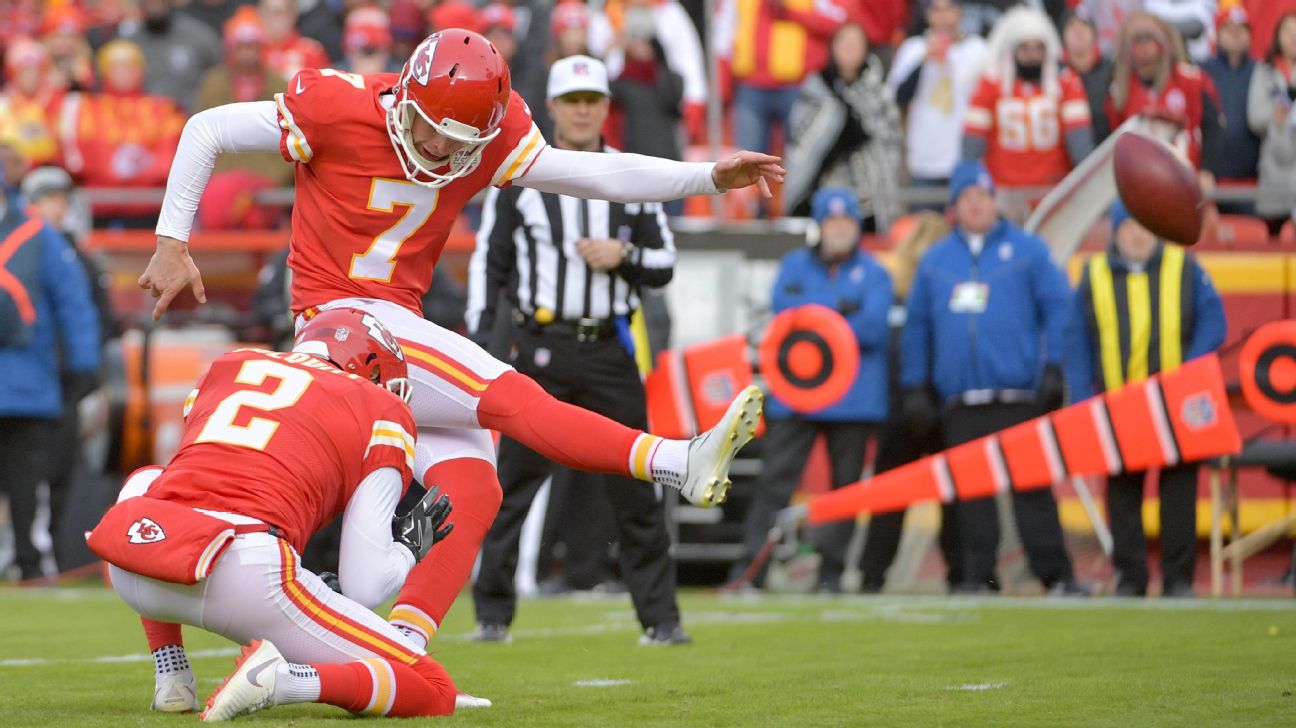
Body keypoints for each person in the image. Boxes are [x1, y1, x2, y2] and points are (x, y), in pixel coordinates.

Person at [138, 28, 778, 653]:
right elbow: (207, 129)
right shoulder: (336, 104)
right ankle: (675, 462)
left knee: (475, 485)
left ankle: (402, 648)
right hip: (341, 322)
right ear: (407, 97)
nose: (439, 150)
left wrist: (708, 179)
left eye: (459, 140)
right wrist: (172, 241)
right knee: (511, 395)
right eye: (430, 129)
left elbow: (594, 175)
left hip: (397, 322)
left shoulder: (496, 133)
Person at [94, 308, 463, 718]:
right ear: (372, 370)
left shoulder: (230, 365)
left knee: (150, 481)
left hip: (137, 560)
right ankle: (286, 680)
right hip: (245, 575)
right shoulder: (381, 408)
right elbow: (365, 586)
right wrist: (408, 550)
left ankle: (172, 673)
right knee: (435, 688)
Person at [468, 55, 689, 642]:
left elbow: (664, 263)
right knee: (509, 485)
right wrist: (477, 346)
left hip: (609, 348)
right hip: (540, 347)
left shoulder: (631, 176)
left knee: (636, 484)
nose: (584, 109)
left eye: (593, 99)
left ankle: (661, 620)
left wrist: (626, 258)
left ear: (605, 108)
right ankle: (492, 614)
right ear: (555, 108)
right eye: (573, 100)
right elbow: (488, 266)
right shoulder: (522, 174)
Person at [900, 160, 1082, 595]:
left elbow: (1060, 309)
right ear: (954, 207)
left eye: (982, 196)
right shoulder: (936, 261)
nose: (976, 205)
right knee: (971, 499)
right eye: (967, 198)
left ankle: (1056, 576)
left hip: (1019, 395)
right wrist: (915, 385)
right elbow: (917, 326)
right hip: (962, 400)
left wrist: (1054, 366)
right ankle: (978, 577)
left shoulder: (1028, 250)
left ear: (994, 201)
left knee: (1033, 492)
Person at [726, 187, 892, 593]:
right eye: (832, 221)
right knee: (774, 484)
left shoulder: (875, 272)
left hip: (854, 399)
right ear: (819, 226)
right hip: (797, 395)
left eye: (847, 221)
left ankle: (831, 575)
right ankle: (752, 571)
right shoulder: (795, 265)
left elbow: (872, 327)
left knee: (845, 491)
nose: (839, 229)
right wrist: (840, 310)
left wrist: (817, 318)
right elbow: (786, 314)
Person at [1065, 201, 1225, 596]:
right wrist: (1082, 398)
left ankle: (1178, 579)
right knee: (1122, 498)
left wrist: (1191, 368)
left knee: (1178, 493)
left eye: (1144, 227)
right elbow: (1076, 340)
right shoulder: (1095, 274)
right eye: (1128, 228)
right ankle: (1130, 578)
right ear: (1114, 233)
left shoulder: (1183, 266)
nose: (1137, 235)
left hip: (1176, 403)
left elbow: (1213, 320)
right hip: (1121, 405)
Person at [0, 178, 100, 582]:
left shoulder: (39, 234)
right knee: (29, 487)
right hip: (30, 382)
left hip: (28, 386)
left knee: (28, 486)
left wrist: (82, 367)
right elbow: (74, 305)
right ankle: (31, 566)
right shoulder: (40, 234)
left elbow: (74, 305)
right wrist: (84, 368)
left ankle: (31, 565)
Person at [856, 211, 958, 593]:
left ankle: (962, 573)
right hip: (900, 410)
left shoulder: (946, 296)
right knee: (890, 496)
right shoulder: (892, 294)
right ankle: (873, 575)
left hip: (939, 406)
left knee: (952, 496)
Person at [785, 21, 902, 229]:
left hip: (869, 198)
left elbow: (891, 142)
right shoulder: (815, 90)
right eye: (844, 42)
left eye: (856, 43)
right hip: (824, 194)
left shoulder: (879, 93)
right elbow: (802, 144)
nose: (850, 48)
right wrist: (837, 124)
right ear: (832, 47)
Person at [964, 7, 1094, 195]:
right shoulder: (991, 84)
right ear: (1012, 50)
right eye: (1025, 48)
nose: (1032, 55)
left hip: (1051, 192)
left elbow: (1080, 146)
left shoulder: (1066, 83)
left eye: (1038, 48)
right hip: (1003, 192)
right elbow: (971, 147)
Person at [886, 0, 988, 208]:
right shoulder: (912, 49)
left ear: (959, 12)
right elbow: (898, 97)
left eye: (948, 9)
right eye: (936, 10)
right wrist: (924, 60)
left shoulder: (977, 49)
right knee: (926, 231)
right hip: (924, 161)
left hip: (965, 160)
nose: (942, 17)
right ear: (927, 15)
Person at [1203, 5, 1260, 216]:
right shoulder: (1203, 71)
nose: (1236, 33)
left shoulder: (1261, 70)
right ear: (1217, 34)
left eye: (1242, 28)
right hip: (1210, 179)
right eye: (1229, 27)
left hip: (1251, 182)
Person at [1247, 11, 1296, 237]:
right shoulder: (1265, 71)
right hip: (1274, 168)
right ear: (1278, 36)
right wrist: (1274, 116)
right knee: (1274, 236)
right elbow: (1255, 116)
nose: (1293, 37)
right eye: (1288, 31)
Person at [1063, 9, 1115, 144]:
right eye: (1071, 26)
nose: (1078, 31)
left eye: (1084, 25)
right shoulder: (1055, 73)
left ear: (1094, 33)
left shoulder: (1112, 70)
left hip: (1109, 146)